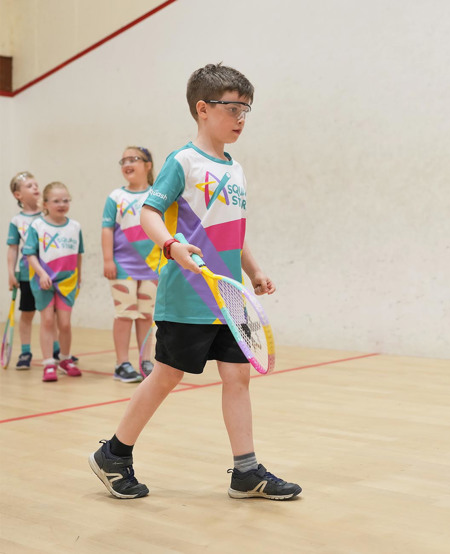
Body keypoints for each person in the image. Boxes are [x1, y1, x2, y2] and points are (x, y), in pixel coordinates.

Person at [89, 63, 301, 501]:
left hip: (230, 297)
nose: (241, 117)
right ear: (203, 109)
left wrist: (254, 270)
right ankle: (114, 453)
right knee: (167, 376)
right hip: (188, 295)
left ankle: (246, 471)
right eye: (232, 108)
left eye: (247, 109)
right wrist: (170, 246)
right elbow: (150, 211)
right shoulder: (182, 161)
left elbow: (232, 233)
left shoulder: (236, 169)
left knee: (237, 377)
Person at [102, 146, 161, 383]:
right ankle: (122, 364)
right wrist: (108, 259)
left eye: (133, 159)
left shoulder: (157, 195)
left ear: (147, 165)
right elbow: (107, 229)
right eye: (123, 160)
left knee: (146, 316)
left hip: (152, 267)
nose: (127, 163)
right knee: (124, 314)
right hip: (122, 266)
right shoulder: (116, 197)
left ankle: (145, 361)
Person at [22, 182, 84, 382]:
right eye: (56, 201)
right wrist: (41, 274)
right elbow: (30, 255)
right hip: (43, 281)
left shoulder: (75, 227)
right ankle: (48, 362)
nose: (62, 204)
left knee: (64, 324)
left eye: (65, 200)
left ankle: (65, 360)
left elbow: (79, 255)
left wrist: (79, 277)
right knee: (48, 321)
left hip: (68, 282)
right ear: (45, 203)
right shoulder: (37, 226)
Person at [6, 172, 42, 369]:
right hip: (28, 275)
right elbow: (12, 249)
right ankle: (25, 352)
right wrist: (11, 273)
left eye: (36, 184)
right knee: (27, 313)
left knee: (50, 315)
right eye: (29, 186)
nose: (35, 188)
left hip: (49, 275)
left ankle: (55, 350)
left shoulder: (47, 213)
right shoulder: (16, 221)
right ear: (17, 195)